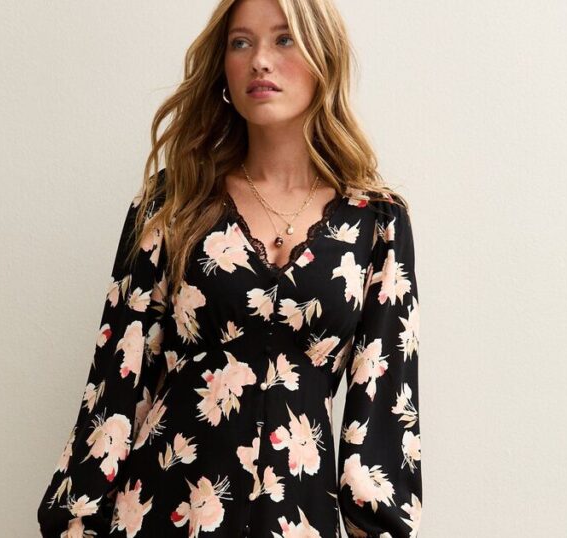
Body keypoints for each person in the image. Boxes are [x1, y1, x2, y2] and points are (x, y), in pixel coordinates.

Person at [36, 0, 422, 536]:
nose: (260, 60)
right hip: (164, 514)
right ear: (223, 68)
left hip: (297, 520)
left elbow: (384, 410)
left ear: (324, 56)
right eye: (241, 43)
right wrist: (77, 522)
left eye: (284, 39)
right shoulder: (173, 203)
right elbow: (117, 382)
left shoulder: (376, 221)